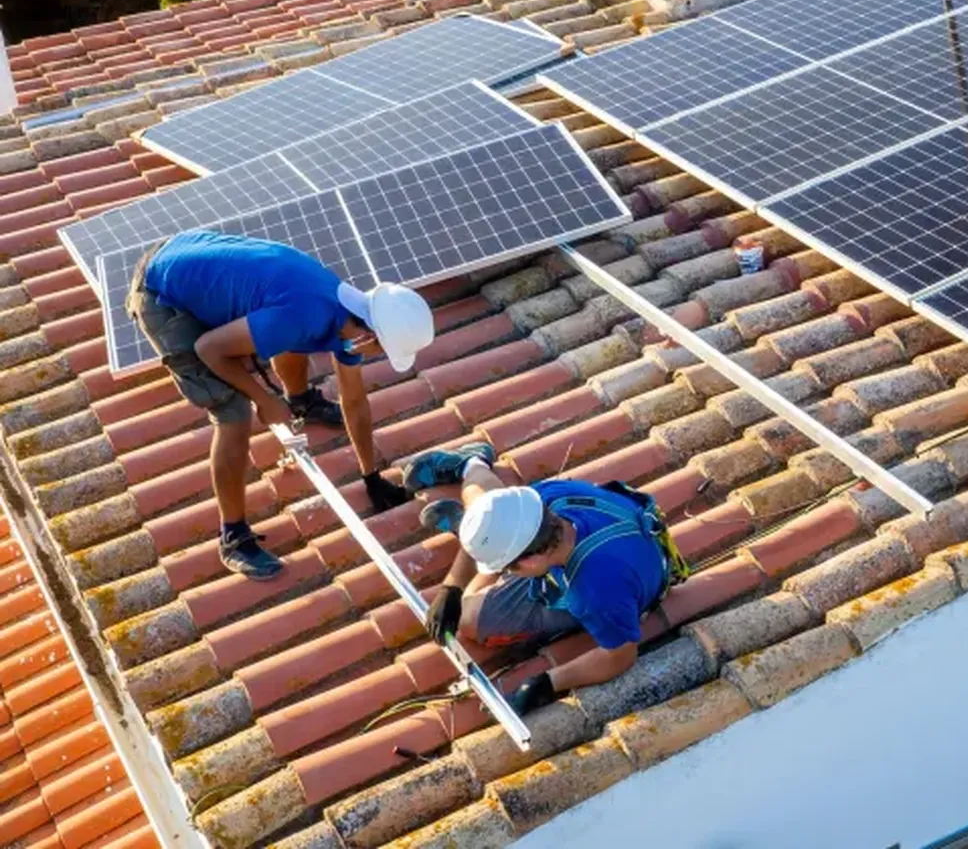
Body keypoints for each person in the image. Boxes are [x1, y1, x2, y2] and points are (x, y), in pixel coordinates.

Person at [127, 230, 436, 580]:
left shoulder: (351, 312)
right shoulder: (305, 314)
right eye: (382, 349)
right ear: (370, 335)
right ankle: (233, 536)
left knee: (285, 337)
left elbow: (354, 400)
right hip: (161, 290)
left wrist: (371, 476)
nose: (376, 356)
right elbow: (208, 349)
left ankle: (301, 400)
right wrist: (264, 399)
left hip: (186, 258)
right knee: (233, 414)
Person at [409, 441, 689, 714]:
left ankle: (474, 529)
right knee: (493, 507)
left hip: (624, 577)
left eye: (508, 568)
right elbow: (501, 510)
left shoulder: (593, 592)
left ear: (529, 560)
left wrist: (547, 683)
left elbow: (620, 656)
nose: (505, 573)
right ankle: (471, 464)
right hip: (620, 538)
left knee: (467, 620)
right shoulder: (546, 499)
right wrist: (451, 588)